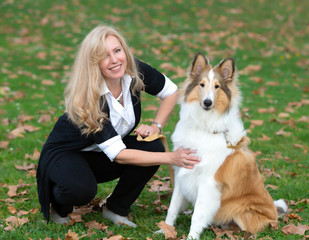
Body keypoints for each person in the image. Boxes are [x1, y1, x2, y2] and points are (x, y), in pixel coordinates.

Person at [36, 25, 200, 226]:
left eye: (117, 50)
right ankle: (59, 205)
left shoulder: (133, 69)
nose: (114, 60)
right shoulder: (90, 99)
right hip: (66, 154)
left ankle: (115, 209)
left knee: (152, 146)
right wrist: (171, 158)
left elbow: (171, 92)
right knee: (81, 189)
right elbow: (119, 155)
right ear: (93, 63)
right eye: (104, 56)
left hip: (100, 152)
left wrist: (156, 126)